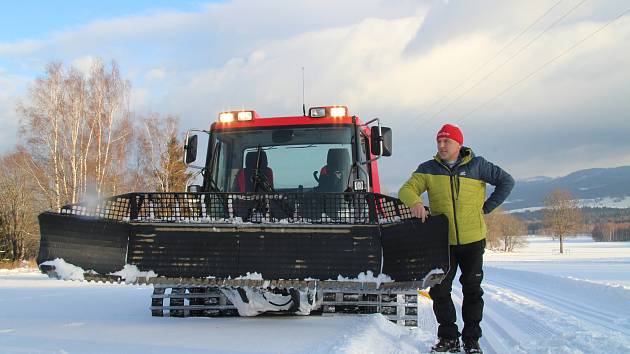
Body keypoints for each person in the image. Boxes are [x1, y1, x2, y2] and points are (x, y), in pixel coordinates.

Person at [398, 124, 514, 354]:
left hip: (473, 240)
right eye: (439, 141)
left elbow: (507, 181)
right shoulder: (428, 169)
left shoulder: (478, 165)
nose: (441, 145)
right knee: (439, 290)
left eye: (446, 141)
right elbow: (406, 189)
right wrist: (416, 202)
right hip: (443, 242)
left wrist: (488, 206)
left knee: (472, 289)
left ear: (458, 144)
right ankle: (449, 337)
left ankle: (471, 340)